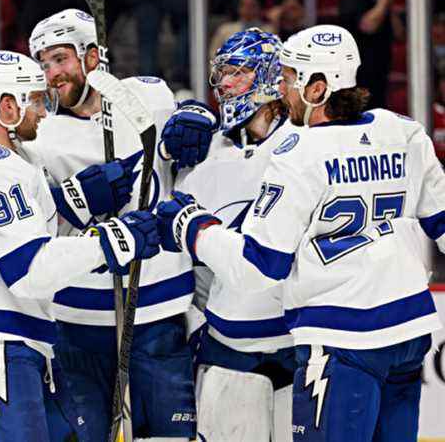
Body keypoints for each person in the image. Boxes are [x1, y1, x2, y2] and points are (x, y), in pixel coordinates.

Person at [157, 24, 444, 442]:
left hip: (338, 338)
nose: (282, 88)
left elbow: (260, 266)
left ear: (317, 87)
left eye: (289, 79)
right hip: (407, 331)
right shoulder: (403, 131)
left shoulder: (300, 152)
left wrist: (194, 226)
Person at [0, 50, 160, 441]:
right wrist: (113, 241)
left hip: (15, 332)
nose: (44, 111)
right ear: (7, 106)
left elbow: (26, 227)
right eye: (36, 100)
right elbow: (29, 270)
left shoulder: (6, 159)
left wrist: (75, 199)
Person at [24, 8, 211, 440]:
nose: (51, 74)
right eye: (44, 63)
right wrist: (72, 199)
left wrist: (200, 117)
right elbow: (30, 225)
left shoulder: (149, 96)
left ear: (92, 55)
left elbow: (189, 134)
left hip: (158, 309)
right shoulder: (38, 137)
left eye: (60, 58)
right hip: (76, 318)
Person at [163, 28, 297, 442]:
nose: (223, 85)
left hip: (299, 346)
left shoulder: (308, 146)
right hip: (228, 348)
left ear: (270, 78)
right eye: (221, 74)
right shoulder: (204, 156)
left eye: (236, 73)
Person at [339, 0, 405, 110]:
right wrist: (383, 3)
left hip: (381, 72)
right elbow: (367, 26)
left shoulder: (385, 6)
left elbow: (400, 34)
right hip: (358, 75)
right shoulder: (352, 3)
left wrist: (389, 7)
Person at [209, 0, 274, 60]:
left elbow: (272, 56)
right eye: (243, 5)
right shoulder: (225, 30)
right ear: (238, 8)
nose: (247, 9)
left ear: (260, 8)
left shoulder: (269, 30)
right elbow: (213, 54)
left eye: (252, 6)